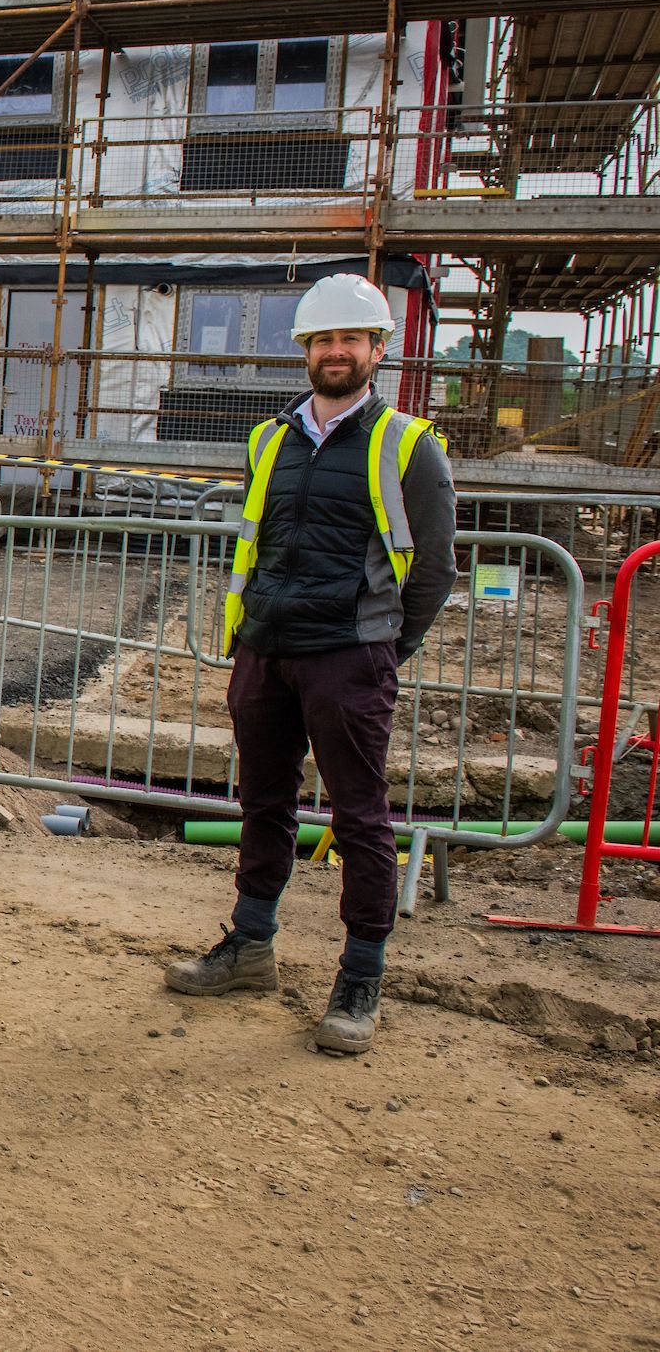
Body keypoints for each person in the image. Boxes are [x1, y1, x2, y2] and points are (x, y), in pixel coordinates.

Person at [167, 273, 455, 1056]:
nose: (335, 352)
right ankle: (251, 946)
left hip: (349, 657)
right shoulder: (273, 439)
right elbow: (259, 547)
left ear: (376, 350)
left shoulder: (408, 446)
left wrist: (385, 647)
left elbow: (433, 571)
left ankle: (360, 976)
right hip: (266, 651)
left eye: (350, 340)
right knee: (264, 804)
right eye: (322, 340)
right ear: (304, 351)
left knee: (362, 818)